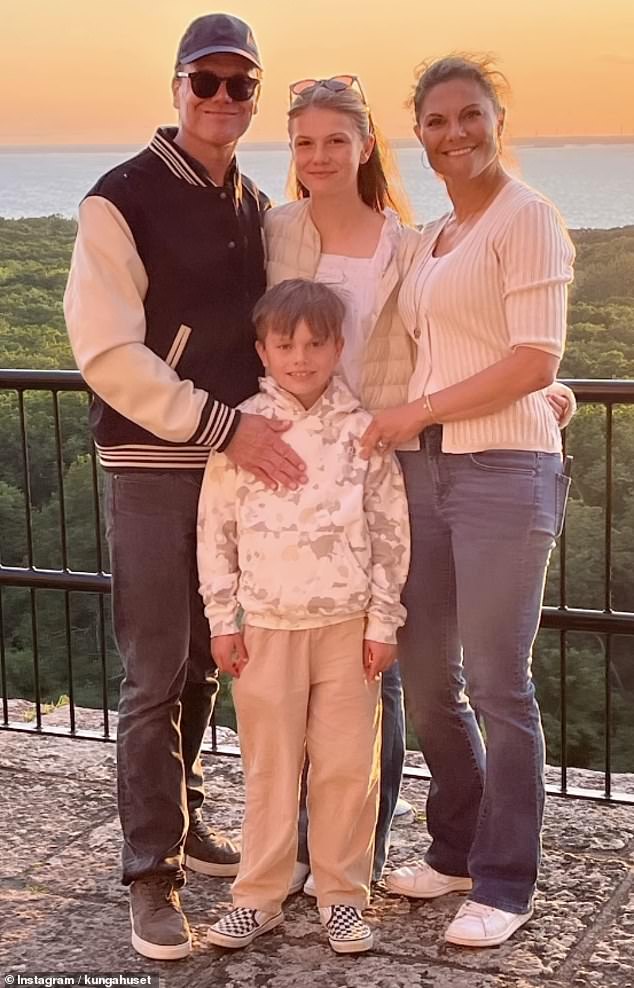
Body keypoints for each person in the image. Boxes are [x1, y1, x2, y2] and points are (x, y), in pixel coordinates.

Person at [63, 13, 305, 962]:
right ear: (176, 88)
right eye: (205, 81)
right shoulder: (118, 198)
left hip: (231, 468)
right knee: (155, 670)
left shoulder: (251, 204)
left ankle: (187, 815)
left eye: (240, 85)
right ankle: (149, 874)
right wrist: (224, 424)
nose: (221, 99)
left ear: (254, 97)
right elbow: (107, 353)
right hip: (159, 464)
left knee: (211, 658)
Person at [359, 55, 575, 948]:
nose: (453, 134)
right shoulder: (438, 233)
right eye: (436, 122)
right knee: (428, 676)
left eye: (469, 116)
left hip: (503, 470)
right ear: (420, 133)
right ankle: (453, 849)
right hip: (426, 473)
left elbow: (535, 359)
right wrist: (416, 421)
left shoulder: (529, 219)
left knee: (497, 683)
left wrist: (424, 411)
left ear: (497, 117)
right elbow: (445, 346)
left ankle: (505, 879)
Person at [197, 278, 411, 953]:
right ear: (263, 348)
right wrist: (222, 619)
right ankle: (257, 895)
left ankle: (341, 895)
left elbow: (390, 529)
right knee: (269, 765)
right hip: (265, 626)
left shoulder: (362, 431)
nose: (300, 357)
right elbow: (215, 531)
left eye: (315, 344)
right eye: (285, 344)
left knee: (348, 767)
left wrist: (384, 622)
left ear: (337, 347)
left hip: (348, 628)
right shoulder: (244, 431)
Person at [265, 77, 421, 891]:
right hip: (287, 464)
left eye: (335, 140)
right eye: (302, 142)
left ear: (365, 146)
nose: (319, 156)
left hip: (372, 461)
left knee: (370, 666)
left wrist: (545, 387)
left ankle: (359, 851)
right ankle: (294, 850)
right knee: (290, 675)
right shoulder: (276, 230)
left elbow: (465, 333)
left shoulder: (411, 243)